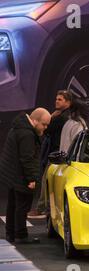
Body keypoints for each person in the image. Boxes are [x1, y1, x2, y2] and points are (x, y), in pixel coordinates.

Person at [0, 108, 51, 243]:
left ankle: (11, 234)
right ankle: (20, 235)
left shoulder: (18, 127)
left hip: (11, 173)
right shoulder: (27, 134)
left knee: (13, 205)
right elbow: (27, 158)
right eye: (44, 124)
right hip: (20, 174)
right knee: (22, 206)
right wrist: (32, 178)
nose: (45, 128)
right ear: (35, 121)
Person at [29, 90, 72, 219]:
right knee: (48, 181)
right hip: (54, 152)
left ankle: (42, 208)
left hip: (57, 153)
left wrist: (52, 117)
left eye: (60, 99)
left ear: (68, 102)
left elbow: (48, 128)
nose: (56, 101)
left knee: (46, 181)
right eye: (56, 98)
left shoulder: (63, 117)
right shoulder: (61, 115)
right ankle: (46, 208)